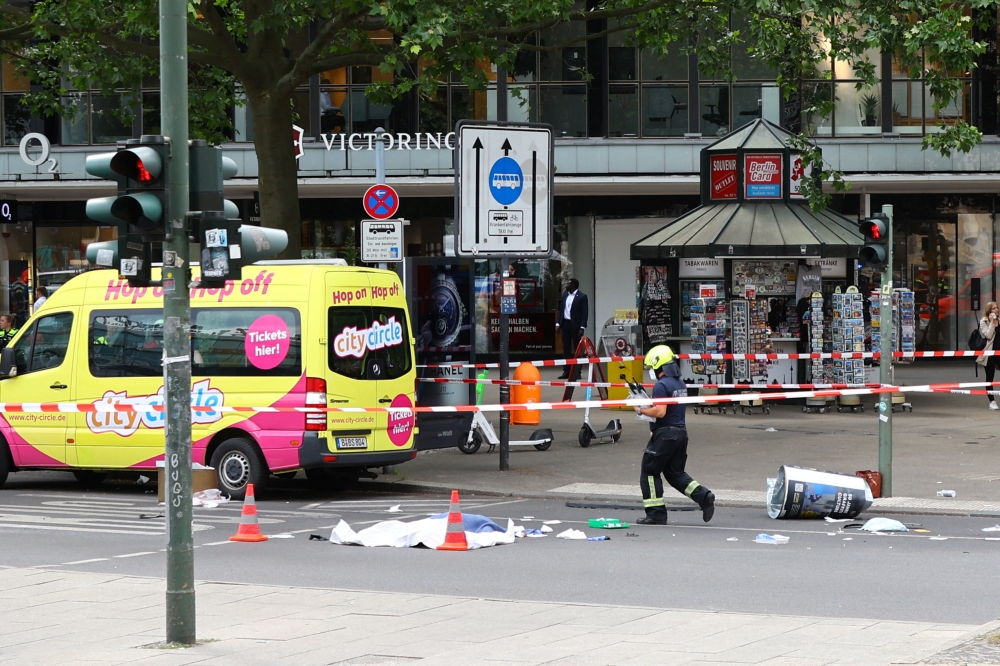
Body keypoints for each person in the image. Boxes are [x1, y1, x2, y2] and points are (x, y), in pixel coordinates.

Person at [634, 345, 715, 524]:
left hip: (666, 435)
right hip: (680, 434)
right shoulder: (679, 383)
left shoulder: (661, 386)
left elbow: (661, 412)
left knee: (649, 471)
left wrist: (640, 409)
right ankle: (704, 496)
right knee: (674, 473)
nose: (652, 372)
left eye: (653, 368)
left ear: (659, 366)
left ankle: (656, 514)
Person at [555, 278, 588, 379]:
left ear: (574, 285)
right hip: (566, 324)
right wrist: (558, 324)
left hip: (576, 326)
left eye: (568, 283)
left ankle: (577, 372)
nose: (567, 285)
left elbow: (585, 313)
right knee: (566, 348)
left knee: (578, 349)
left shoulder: (582, 297)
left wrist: (582, 327)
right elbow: (561, 310)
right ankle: (567, 371)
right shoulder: (565, 295)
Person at [978, 301, 999, 410]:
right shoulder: (984, 321)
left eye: (997, 308)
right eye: (993, 308)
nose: (996, 310)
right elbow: (988, 336)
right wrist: (992, 323)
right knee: (990, 377)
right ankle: (992, 401)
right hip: (990, 353)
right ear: (989, 311)